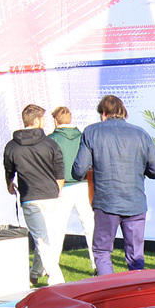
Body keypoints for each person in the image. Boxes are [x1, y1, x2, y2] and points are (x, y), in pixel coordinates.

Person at [71, 95, 155, 275]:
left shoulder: (92, 132)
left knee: (102, 252)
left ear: (104, 113)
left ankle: (108, 295)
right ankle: (136, 296)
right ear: (122, 112)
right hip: (135, 202)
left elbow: (79, 170)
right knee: (135, 257)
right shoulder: (141, 134)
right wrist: (139, 170)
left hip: (106, 203)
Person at [2, 103, 68, 286]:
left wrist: (9, 184)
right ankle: (57, 282)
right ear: (37, 120)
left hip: (30, 196)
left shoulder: (12, 146)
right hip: (51, 195)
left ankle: (37, 274)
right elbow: (59, 168)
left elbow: (9, 169)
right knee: (46, 239)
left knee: (42, 238)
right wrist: (58, 188)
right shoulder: (50, 143)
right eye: (44, 119)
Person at [45, 105, 95, 270]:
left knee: (57, 229)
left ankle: (52, 266)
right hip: (83, 186)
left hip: (62, 187)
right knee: (90, 226)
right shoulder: (82, 137)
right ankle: (97, 264)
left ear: (55, 121)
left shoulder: (51, 139)